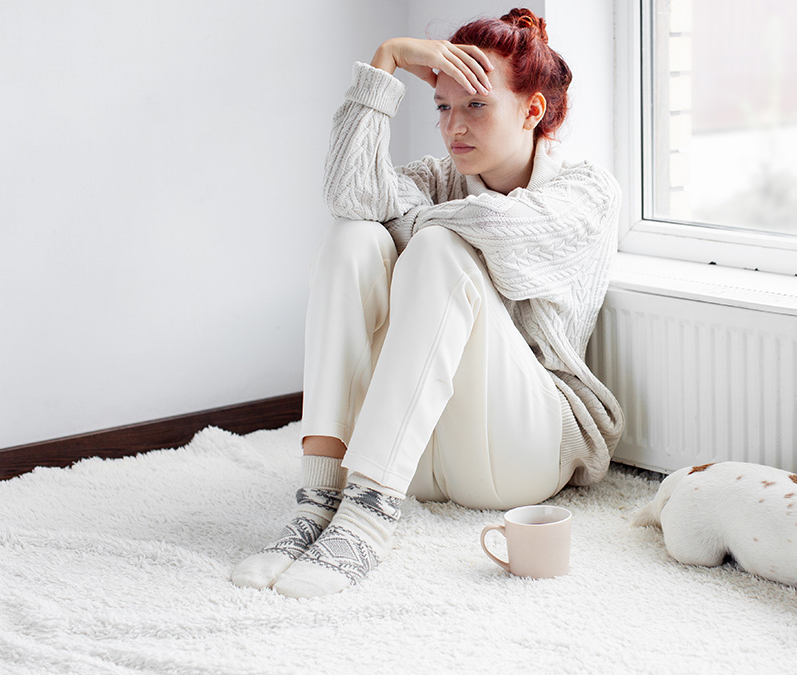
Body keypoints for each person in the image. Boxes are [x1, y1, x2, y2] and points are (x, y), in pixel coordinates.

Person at [231, 8, 623, 598]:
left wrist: (409, 222)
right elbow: (348, 195)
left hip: (521, 451)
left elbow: (500, 229)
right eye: (443, 107)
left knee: (437, 245)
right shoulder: (440, 179)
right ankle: (319, 498)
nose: (454, 127)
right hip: (417, 453)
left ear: (532, 110)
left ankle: (365, 520)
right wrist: (386, 60)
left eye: (476, 105)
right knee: (354, 234)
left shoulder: (585, 189)